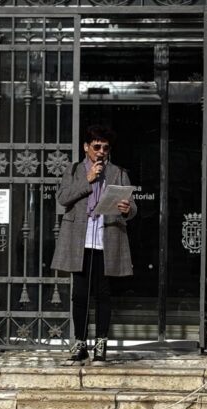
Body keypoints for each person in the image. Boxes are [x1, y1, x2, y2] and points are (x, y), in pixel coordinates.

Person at [51, 125, 137, 364]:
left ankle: (101, 344)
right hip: (79, 239)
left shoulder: (118, 172)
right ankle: (80, 344)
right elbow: (62, 199)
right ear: (86, 147)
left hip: (106, 238)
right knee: (79, 294)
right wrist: (87, 181)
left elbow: (132, 207)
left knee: (103, 294)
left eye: (105, 148)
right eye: (96, 147)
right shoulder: (74, 170)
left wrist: (127, 209)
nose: (101, 152)